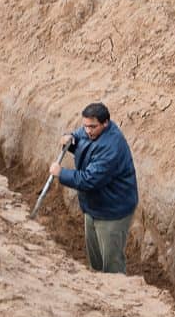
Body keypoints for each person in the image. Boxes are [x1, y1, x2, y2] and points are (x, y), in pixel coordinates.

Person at [49, 103, 137, 273]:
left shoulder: (111, 147)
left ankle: (117, 295)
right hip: (94, 207)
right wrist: (70, 138)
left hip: (112, 211)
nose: (88, 131)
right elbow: (80, 136)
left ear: (105, 123)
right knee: (95, 262)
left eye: (92, 127)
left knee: (111, 265)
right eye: (85, 126)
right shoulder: (92, 132)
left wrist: (62, 173)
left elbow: (90, 180)